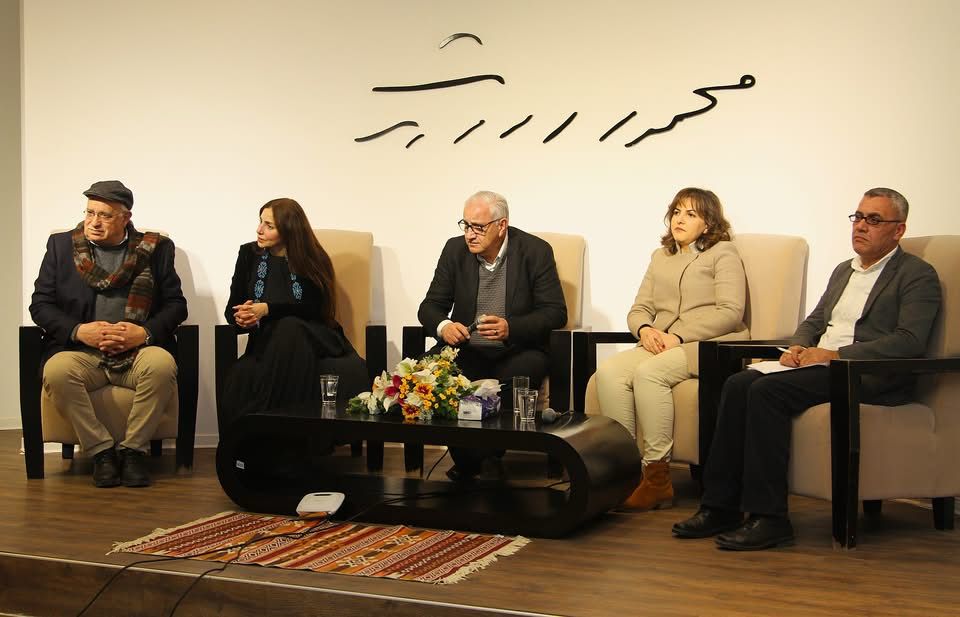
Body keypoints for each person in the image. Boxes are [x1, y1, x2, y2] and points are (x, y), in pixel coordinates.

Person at [672, 187, 942, 550]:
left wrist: (836, 355)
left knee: (766, 391)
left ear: (899, 230)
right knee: (738, 384)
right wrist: (799, 345)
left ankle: (770, 518)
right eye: (858, 217)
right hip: (823, 366)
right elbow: (815, 321)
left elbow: (910, 341)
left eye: (874, 220)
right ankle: (720, 507)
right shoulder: (843, 271)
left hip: (864, 374)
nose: (861, 226)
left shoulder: (916, 275)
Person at [596, 188, 748, 510]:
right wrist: (645, 329)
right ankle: (628, 472)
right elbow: (639, 308)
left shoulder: (723, 253)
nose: (679, 219)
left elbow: (730, 312)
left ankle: (657, 478)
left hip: (708, 344)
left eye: (691, 214)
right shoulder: (660, 256)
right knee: (609, 372)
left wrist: (678, 336)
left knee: (649, 374)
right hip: (662, 340)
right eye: (677, 212)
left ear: (708, 224)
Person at [29, 180, 187, 488]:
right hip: (82, 353)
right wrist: (78, 331)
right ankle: (101, 452)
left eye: (104, 215)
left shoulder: (155, 249)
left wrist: (144, 333)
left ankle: (132, 452)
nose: (94, 222)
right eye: (89, 213)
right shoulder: (61, 246)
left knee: (161, 364)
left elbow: (176, 305)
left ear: (126, 218)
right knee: (57, 371)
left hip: (137, 353)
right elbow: (41, 304)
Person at [418, 190, 567, 481]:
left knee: (517, 377)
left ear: (501, 226)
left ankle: (479, 460)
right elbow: (430, 306)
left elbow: (555, 312)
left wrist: (511, 328)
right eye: (466, 225)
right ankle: (474, 460)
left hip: (518, 350)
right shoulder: (454, 250)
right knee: (429, 372)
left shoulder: (535, 251)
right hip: (468, 349)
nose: (469, 235)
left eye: (478, 227)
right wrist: (444, 326)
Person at [219, 198, 368, 429]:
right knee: (280, 334)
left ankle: (267, 426)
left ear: (289, 229)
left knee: (290, 326)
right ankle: (284, 433)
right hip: (267, 343)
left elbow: (315, 309)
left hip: (315, 337)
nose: (259, 229)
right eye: (260, 222)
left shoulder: (314, 257)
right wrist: (243, 319)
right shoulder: (248, 254)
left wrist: (267, 309)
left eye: (269, 226)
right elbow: (233, 308)